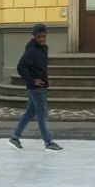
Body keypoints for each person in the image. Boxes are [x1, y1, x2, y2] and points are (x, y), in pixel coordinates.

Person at [8, 24, 64, 152]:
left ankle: (14, 137)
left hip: (39, 87)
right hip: (37, 88)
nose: (42, 39)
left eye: (44, 36)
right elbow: (20, 67)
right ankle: (48, 142)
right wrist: (32, 80)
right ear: (34, 36)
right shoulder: (32, 51)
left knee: (30, 113)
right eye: (39, 37)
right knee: (42, 115)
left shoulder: (44, 48)